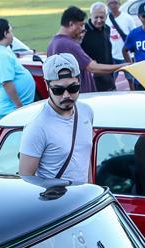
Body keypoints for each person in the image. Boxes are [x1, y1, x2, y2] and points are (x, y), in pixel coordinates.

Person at [19, 54, 94, 185]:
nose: (66, 95)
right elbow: (26, 179)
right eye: (58, 90)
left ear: (79, 81)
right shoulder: (37, 127)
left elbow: (84, 158)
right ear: (47, 85)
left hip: (84, 199)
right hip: (55, 202)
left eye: (73, 88)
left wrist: (91, 189)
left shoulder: (86, 112)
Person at [48, 6, 124, 93]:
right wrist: (121, 66)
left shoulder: (53, 43)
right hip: (81, 96)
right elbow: (92, 67)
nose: (82, 29)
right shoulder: (68, 44)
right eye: (80, 25)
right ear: (71, 24)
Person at [0, 18, 36, 126]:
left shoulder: (0, 51)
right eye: (10, 31)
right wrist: (20, 107)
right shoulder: (2, 56)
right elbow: (6, 82)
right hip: (12, 110)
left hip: (12, 109)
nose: (11, 34)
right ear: (5, 33)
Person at [82, 3, 116, 91]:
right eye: (96, 17)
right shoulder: (83, 31)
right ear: (90, 16)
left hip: (108, 78)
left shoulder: (107, 28)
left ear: (106, 16)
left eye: (102, 17)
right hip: (91, 79)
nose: (99, 20)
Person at [106, 0, 137, 82]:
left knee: (131, 79)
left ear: (119, 4)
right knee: (111, 80)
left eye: (115, 3)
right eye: (110, 3)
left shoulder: (127, 18)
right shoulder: (106, 19)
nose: (113, 5)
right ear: (107, 5)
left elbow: (134, 34)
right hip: (112, 55)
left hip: (126, 55)